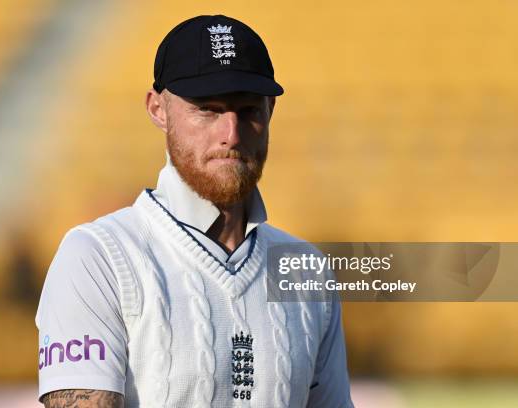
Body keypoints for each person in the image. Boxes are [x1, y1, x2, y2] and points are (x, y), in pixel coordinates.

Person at [36, 14, 354, 408]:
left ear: (270, 110)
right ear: (158, 109)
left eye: (249, 110)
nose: (231, 133)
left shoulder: (307, 270)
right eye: (208, 109)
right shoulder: (97, 257)